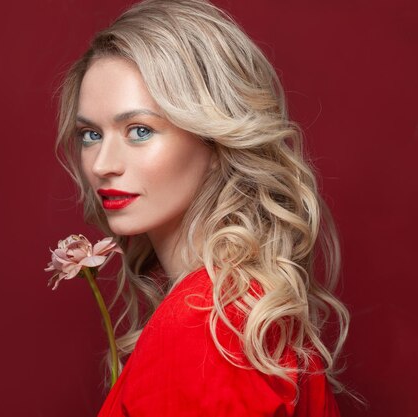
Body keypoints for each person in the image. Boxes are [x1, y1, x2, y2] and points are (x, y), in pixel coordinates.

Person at [55, 0, 349, 415]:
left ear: (214, 141)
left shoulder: (204, 325)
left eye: (139, 130)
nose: (102, 164)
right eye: (90, 134)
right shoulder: (234, 305)